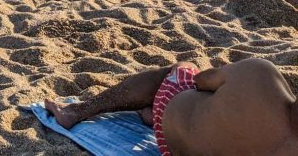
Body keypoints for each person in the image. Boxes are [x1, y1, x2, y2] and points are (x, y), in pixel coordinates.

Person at [44, 57, 298, 156]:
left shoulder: (260, 74)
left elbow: (201, 81)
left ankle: (76, 111)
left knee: (183, 70)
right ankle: (151, 114)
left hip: (171, 130)